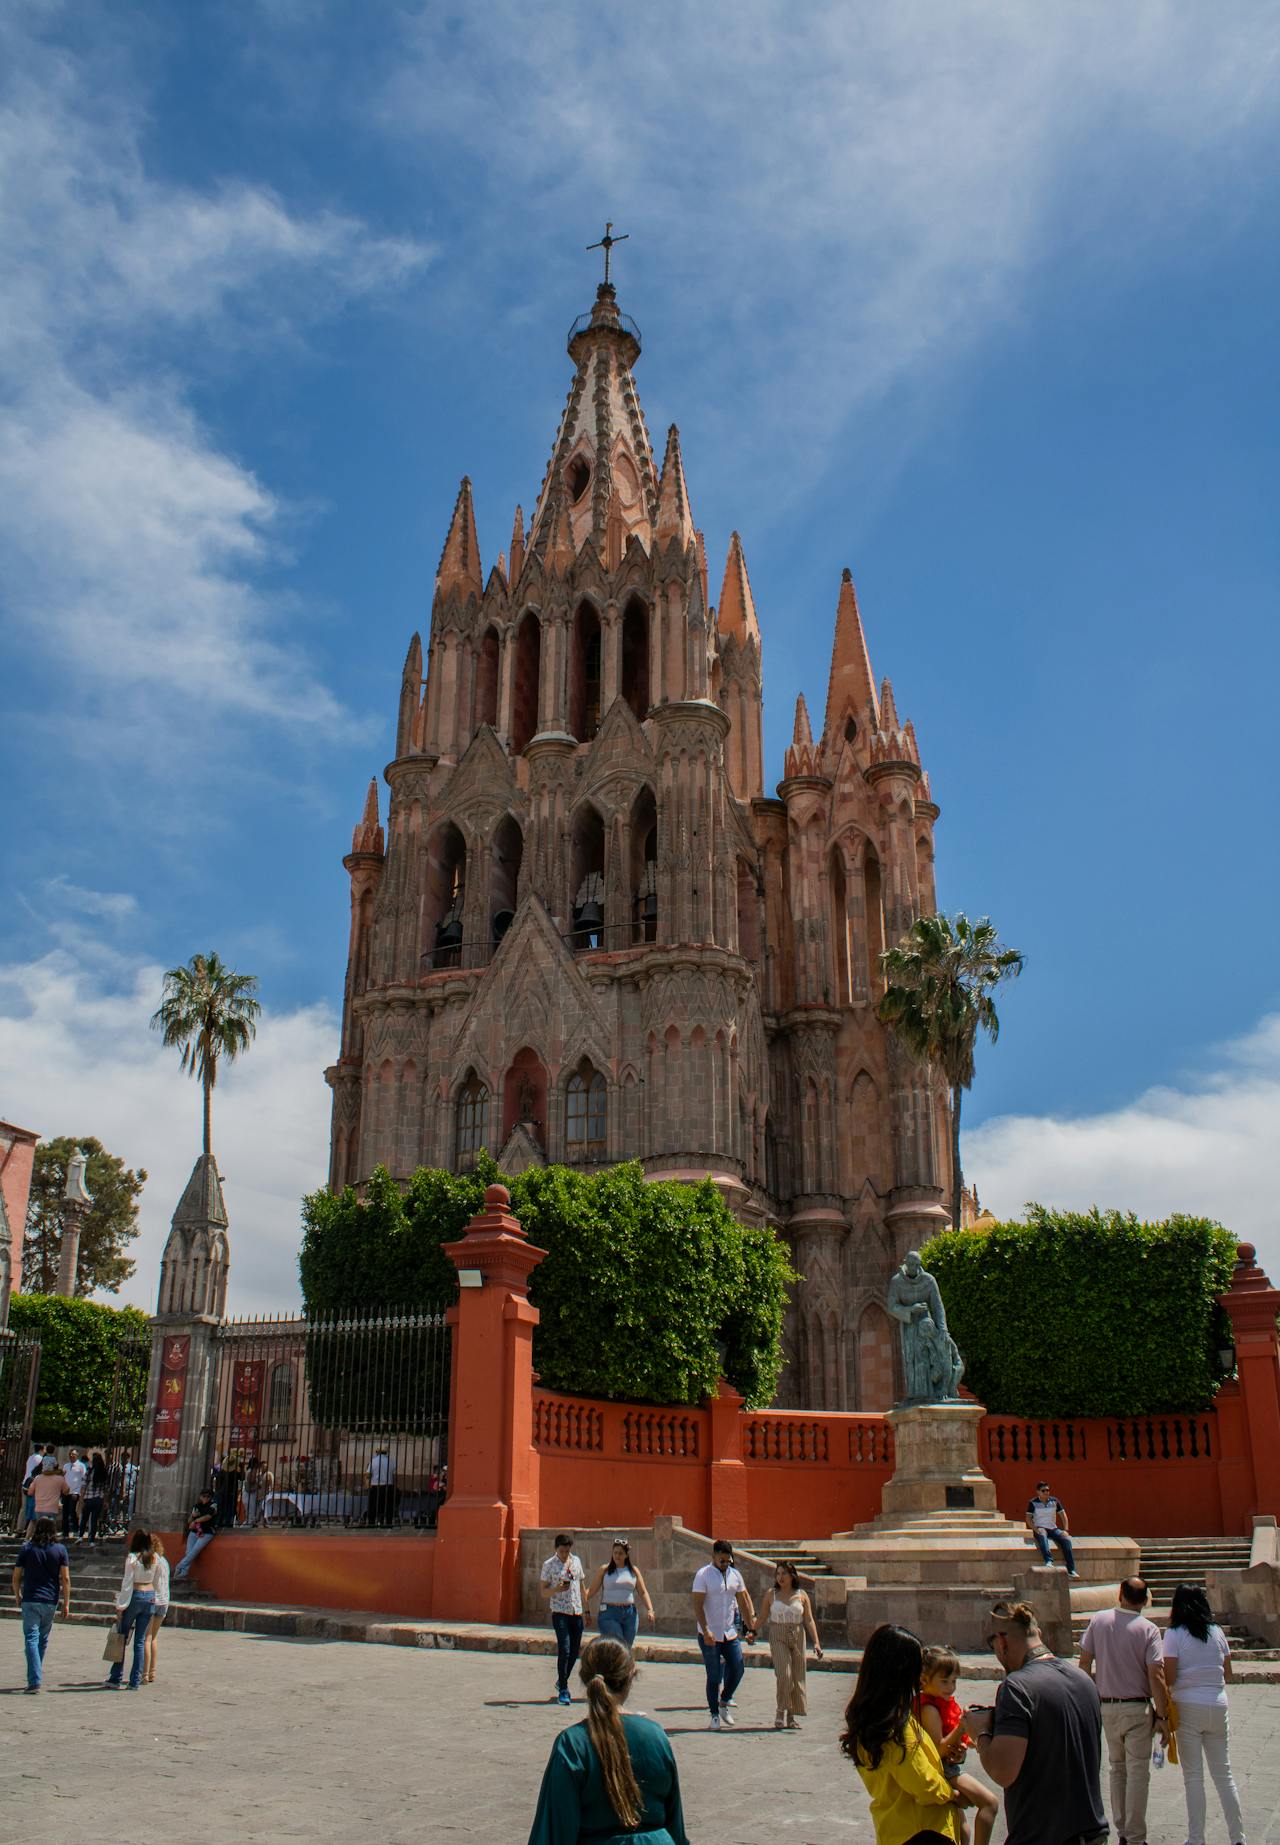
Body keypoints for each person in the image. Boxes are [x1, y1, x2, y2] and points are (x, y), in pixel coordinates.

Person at [965, 1600, 1106, 1845]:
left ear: (1001, 1640)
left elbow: (1003, 1771)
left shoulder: (1016, 1687)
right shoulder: (1083, 1680)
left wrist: (981, 1733)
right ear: (1037, 1633)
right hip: (1092, 1833)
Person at [527, 1636, 690, 1845]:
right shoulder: (656, 1736)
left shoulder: (572, 1745)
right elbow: (674, 1820)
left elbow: (554, 1830)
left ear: (585, 1678)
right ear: (631, 1676)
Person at [840, 1621, 964, 1844]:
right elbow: (924, 1785)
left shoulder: (870, 1718)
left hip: (894, 1828)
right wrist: (953, 1793)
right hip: (923, 1830)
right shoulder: (895, 1728)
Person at [1079, 1576, 1170, 1845]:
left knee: (1117, 1769)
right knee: (1138, 1772)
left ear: (1120, 1595)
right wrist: (1163, 1716)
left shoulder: (1098, 1620)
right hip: (1137, 1707)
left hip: (1106, 1706)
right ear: (1144, 1600)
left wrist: (1087, 1700)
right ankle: (1135, 1836)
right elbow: (1157, 1675)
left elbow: (1084, 1662)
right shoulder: (1149, 1629)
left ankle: (1122, 1831)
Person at [1163, 1583, 1246, 1845]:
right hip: (1217, 1704)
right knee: (1224, 1775)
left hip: (1187, 1706)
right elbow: (1228, 1672)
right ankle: (1238, 1838)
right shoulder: (1217, 1631)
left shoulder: (1174, 1634)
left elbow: (1170, 1676)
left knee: (1194, 1777)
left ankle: (1196, 1839)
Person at [917, 1644, 1000, 1845]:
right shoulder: (930, 1709)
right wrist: (962, 1727)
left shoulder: (941, 1702)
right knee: (990, 1803)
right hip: (943, 1769)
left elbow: (953, 1742)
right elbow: (937, 1749)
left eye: (954, 1681)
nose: (951, 1688)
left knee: (962, 1828)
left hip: (950, 1764)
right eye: (944, 1681)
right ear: (924, 1680)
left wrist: (967, 1743)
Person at [750, 1559, 823, 1730]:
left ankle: (791, 1716)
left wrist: (817, 1643)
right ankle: (780, 1711)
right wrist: (752, 1631)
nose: (780, 1577)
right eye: (778, 1573)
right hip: (778, 1634)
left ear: (792, 1576)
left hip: (798, 1635)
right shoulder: (771, 1594)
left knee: (797, 1675)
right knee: (784, 1674)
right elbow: (762, 1617)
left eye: (784, 1573)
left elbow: (809, 1620)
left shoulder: (802, 1595)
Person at [691, 1538, 756, 1731]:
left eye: (729, 1561)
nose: (726, 1564)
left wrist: (749, 1629)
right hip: (709, 1633)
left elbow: (743, 1602)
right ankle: (714, 1715)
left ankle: (724, 1701)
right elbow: (697, 1605)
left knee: (738, 1668)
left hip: (729, 1633)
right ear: (714, 1556)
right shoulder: (703, 1575)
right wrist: (706, 1629)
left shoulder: (735, 1575)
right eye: (722, 1560)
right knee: (713, 1676)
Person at [11, 1516, 71, 1693]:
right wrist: (66, 1603)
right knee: (42, 1640)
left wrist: (17, 1594)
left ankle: (35, 1679)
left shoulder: (27, 1548)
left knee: (31, 1638)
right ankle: (35, 1675)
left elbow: (16, 1577)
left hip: (31, 1598)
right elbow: (66, 1578)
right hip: (50, 1600)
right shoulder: (60, 1549)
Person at [107, 1528, 160, 1690]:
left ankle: (116, 1677)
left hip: (135, 1596)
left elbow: (127, 1583)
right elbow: (157, 1581)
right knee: (139, 1641)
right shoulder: (155, 1558)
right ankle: (135, 1681)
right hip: (149, 1596)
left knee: (122, 1637)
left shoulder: (132, 1558)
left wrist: (120, 1606)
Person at [542, 1533, 588, 1705]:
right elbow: (543, 1591)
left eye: (567, 1551)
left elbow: (582, 1585)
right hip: (560, 1612)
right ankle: (563, 1688)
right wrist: (556, 1589)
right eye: (561, 1551)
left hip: (576, 1612)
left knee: (575, 1652)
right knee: (565, 1649)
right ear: (556, 1549)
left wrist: (587, 1610)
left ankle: (561, 1680)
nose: (564, 1554)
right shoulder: (548, 1565)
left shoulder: (576, 1561)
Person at [586, 1538, 655, 1651]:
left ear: (626, 1555)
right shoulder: (605, 1570)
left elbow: (643, 1592)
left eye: (621, 1553)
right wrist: (580, 1599)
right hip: (609, 1613)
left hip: (630, 1614)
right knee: (618, 1645)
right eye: (615, 1553)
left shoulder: (633, 1571)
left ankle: (621, 1669)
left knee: (626, 1648)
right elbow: (592, 1590)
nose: (617, 1556)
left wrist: (650, 1610)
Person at [1024, 1481, 1079, 1577]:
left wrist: (1065, 1530)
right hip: (1040, 1528)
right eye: (1043, 1490)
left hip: (1053, 1528)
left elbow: (1063, 1515)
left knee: (1066, 1540)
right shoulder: (1033, 1503)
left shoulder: (1055, 1501)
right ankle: (1049, 1561)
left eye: (1048, 1490)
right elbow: (1028, 1518)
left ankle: (1071, 1569)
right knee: (1043, 1537)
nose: (1046, 1492)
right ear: (1038, 1492)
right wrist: (1035, 1529)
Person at [172, 1486, 218, 1581]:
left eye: (208, 1496)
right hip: (194, 1531)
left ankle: (179, 1566)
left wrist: (196, 1521)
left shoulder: (213, 1505)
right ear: (200, 1497)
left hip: (206, 1531)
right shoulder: (197, 1506)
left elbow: (208, 1517)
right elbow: (189, 1520)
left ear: (210, 1497)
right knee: (189, 1551)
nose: (205, 1498)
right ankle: (184, 1572)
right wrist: (193, 1516)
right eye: (203, 1496)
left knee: (195, 1550)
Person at [142, 1540, 171, 1685]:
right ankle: (152, 1672)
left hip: (153, 1600)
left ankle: (144, 1674)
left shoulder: (153, 1560)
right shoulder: (164, 1561)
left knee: (146, 1638)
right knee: (153, 1637)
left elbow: (147, 1579)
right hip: (164, 1601)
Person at [78, 1450, 109, 1546]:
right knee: (94, 1520)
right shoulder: (104, 1473)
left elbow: (83, 1485)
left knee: (84, 1518)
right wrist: (105, 1501)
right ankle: (91, 1540)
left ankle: (80, 1537)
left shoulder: (89, 1471)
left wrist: (81, 1499)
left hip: (88, 1498)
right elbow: (105, 1489)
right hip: (98, 1499)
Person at [21, 1442, 47, 1538]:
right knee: (34, 1513)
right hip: (34, 1486)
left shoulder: (30, 1457)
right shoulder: (39, 1459)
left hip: (25, 1484)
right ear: (41, 1449)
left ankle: (20, 1529)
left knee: (24, 1509)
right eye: (44, 1449)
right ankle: (27, 1531)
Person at [60, 1446, 87, 1540]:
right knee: (65, 1512)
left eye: (74, 1454)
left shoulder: (81, 1466)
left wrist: (81, 1492)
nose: (72, 1456)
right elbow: (63, 1477)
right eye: (71, 1454)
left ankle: (75, 1529)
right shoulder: (66, 1466)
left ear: (77, 1455)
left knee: (72, 1511)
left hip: (75, 1492)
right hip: (66, 1491)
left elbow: (84, 1479)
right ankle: (65, 1532)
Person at [367, 1446, 396, 1527]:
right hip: (388, 1487)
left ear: (377, 1452)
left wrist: (368, 1484)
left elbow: (368, 1474)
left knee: (373, 1506)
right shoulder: (391, 1462)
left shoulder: (373, 1461)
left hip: (375, 1487)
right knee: (388, 1506)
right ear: (386, 1453)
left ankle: (371, 1523)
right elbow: (394, 1476)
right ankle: (388, 1523)